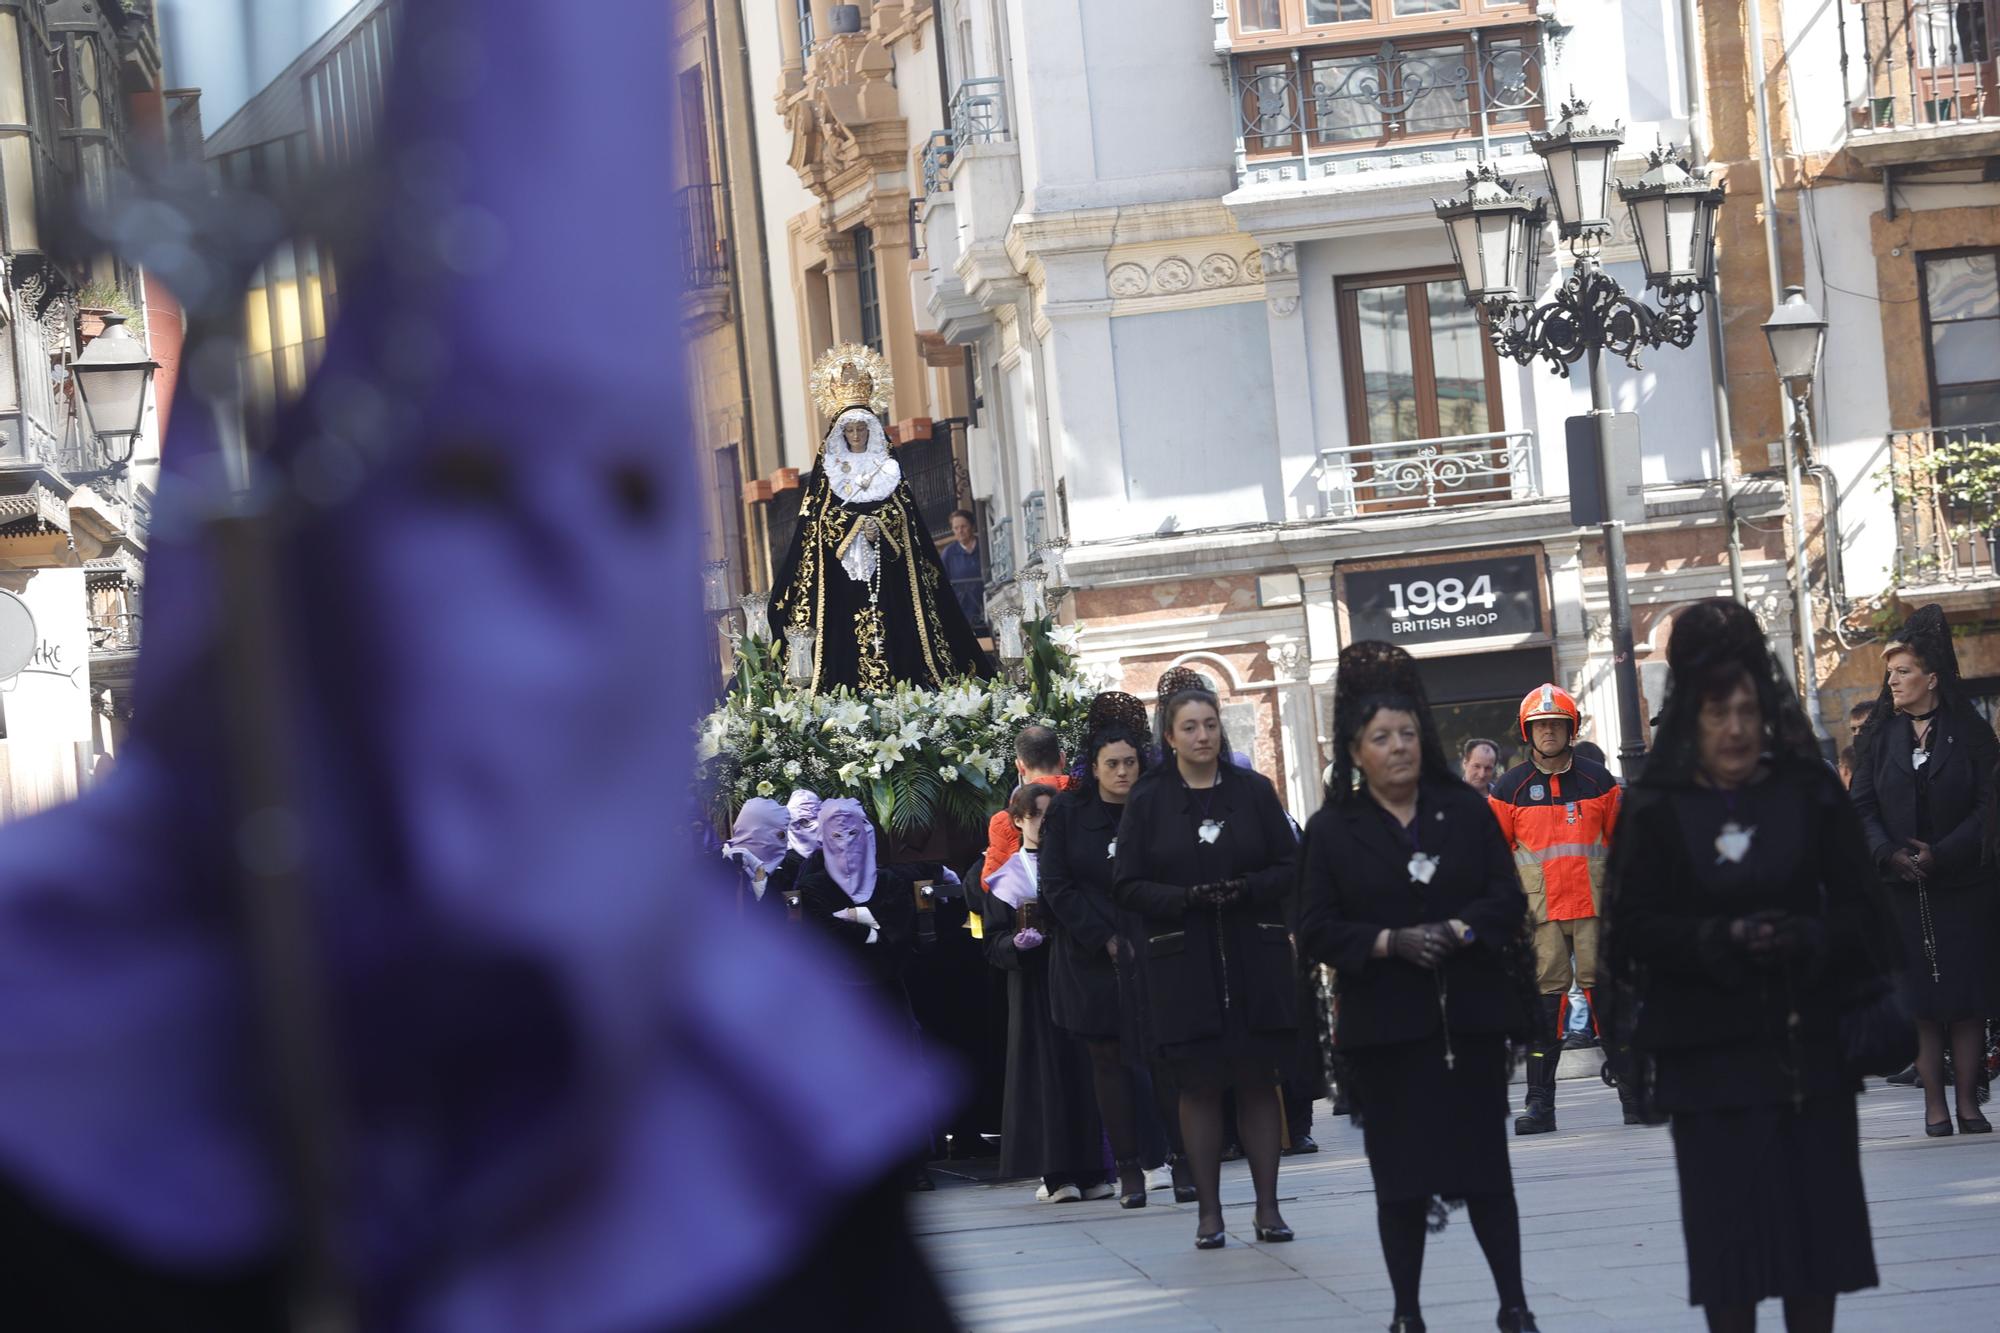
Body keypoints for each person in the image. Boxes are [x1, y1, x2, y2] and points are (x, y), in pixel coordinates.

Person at [1601, 598, 1891, 1332]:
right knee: (1731, 1260)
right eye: (1714, 711)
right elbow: (1632, 929)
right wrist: (1717, 937)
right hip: (1709, 1065)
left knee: (1810, 1253)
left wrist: (1805, 933)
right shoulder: (1657, 807)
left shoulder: (1809, 791)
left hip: (1805, 1055)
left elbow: (1864, 910)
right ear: (1688, 715)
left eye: (1746, 710)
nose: (1734, 728)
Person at [1296, 641, 1537, 1333]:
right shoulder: (1333, 829)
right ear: (1356, 748)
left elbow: (1505, 899)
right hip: (1386, 1029)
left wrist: (1460, 930)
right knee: (1398, 1180)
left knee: (1488, 1170)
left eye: (1406, 732)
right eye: (1381, 737)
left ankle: (1514, 1304)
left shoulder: (1463, 810)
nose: (1397, 747)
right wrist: (1387, 942)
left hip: (1470, 1021)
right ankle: (1407, 1312)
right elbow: (1314, 926)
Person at [1114, 686, 1300, 1250]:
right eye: (1190, 727)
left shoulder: (1253, 791)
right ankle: (1209, 1214)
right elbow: (1127, 884)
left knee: (1257, 1082)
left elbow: (1290, 864)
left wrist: (1247, 889)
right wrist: (1184, 897)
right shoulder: (1149, 800)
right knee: (1197, 1087)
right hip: (1182, 961)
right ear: (1169, 738)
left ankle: (1268, 1208)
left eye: (1211, 725)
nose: (1203, 736)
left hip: (1253, 955)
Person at [1849, 604, 1999, 1135]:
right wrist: (1890, 852)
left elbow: (1990, 803)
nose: (1892, 681)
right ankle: (1934, 1106)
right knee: (1919, 1001)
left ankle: (1968, 1103)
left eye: (1903, 671)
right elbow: (1860, 806)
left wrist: (1945, 852)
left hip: (1962, 883)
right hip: (1898, 887)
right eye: (1889, 673)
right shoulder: (1879, 737)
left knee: (1965, 999)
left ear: (1932, 678)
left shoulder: (1970, 732)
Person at [767, 344, 992, 692]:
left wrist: (881, 525)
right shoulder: (829, 472)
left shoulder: (887, 468)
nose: (856, 435)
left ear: (871, 430)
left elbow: (905, 513)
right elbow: (816, 522)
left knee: (899, 624)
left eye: (861, 429)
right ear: (841, 433)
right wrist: (855, 526)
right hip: (841, 578)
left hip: (890, 569)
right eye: (850, 430)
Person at [1039, 718, 1191, 1208]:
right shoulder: (1068, 812)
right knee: (1108, 1062)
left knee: (1163, 1060)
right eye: (1113, 764)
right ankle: (1128, 1169)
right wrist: (1100, 935)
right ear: (1096, 768)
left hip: (1154, 946)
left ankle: (1179, 1159)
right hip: (1090, 956)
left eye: (1130, 762)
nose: (1123, 772)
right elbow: (1056, 882)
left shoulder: (1157, 806)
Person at [1489, 684, 1628, 1131]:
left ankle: (1633, 1093)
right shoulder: (1508, 788)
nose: (1548, 732)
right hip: (1539, 914)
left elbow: (1620, 844)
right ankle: (1539, 1106)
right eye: (1540, 725)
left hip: (1594, 908)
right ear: (1527, 733)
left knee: (1607, 998)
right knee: (1545, 1008)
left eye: (1556, 724)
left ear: (1572, 729)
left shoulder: (1598, 781)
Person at [984, 784, 1109, 1202]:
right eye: (1035, 816)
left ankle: (1093, 1169)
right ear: (1018, 820)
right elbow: (993, 942)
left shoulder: (1074, 866)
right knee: (1046, 1076)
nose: (1044, 823)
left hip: (1075, 977)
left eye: (1051, 816)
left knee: (1085, 1070)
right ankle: (1056, 1174)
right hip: (1034, 986)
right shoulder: (1006, 878)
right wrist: (1014, 945)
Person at [981, 725, 1073, 888]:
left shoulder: (1004, 820)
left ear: (1020, 766)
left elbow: (992, 884)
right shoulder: (1091, 801)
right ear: (1062, 759)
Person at [720, 797, 791, 913]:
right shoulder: (718, 867)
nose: (785, 842)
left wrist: (760, 876)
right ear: (758, 832)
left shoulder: (781, 874)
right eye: (781, 835)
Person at [939, 509, 986, 630]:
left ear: (972, 526)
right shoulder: (948, 553)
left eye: (963, 526)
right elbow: (942, 580)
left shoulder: (984, 545)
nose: (960, 531)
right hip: (963, 609)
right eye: (956, 528)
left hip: (986, 604)